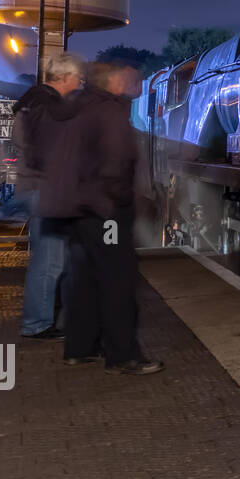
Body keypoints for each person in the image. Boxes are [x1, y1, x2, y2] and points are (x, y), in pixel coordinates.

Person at [42, 60, 163, 375]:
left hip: (74, 208)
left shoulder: (75, 106)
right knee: (117, 280)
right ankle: (124, 355)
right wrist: (121, 202)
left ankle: (79, 348)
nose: (135, 83)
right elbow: (116, 162)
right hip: (105, 210)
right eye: (130, 78)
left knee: (83, 279)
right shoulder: (109, 112)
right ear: (116, 82)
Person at [14, 52, 83, 339]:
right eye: (77, 78)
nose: (79, 83)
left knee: (52, 258)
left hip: (36, 187)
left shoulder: (31, 101)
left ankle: (48, 315)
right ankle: (37, 324)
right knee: (49, 261)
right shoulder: (48, 105)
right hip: (46, 190)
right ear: (65, 77)